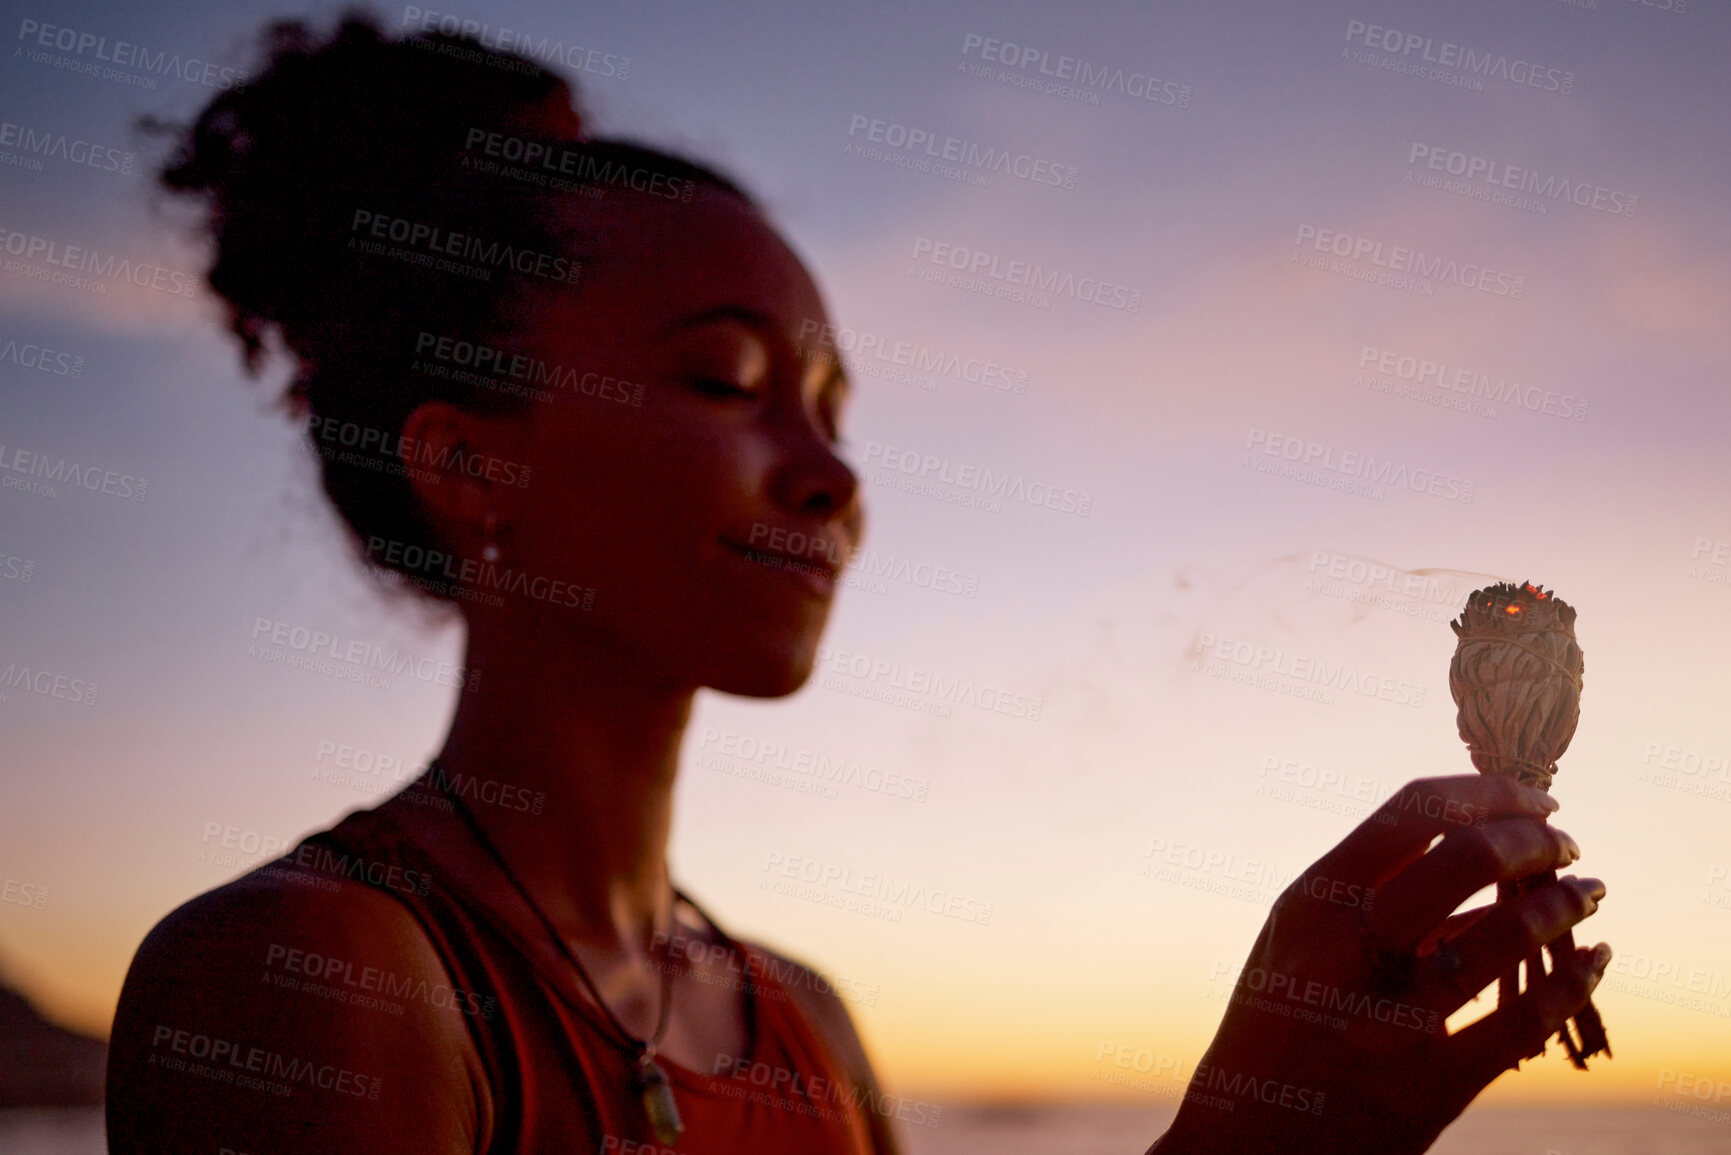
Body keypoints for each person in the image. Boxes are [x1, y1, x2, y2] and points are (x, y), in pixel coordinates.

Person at [105, 16, 1611, 1154]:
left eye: (834, 404)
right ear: (468, 461)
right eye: (724, 380)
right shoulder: (314, 975)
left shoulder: (806, 1029)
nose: (828, 472)